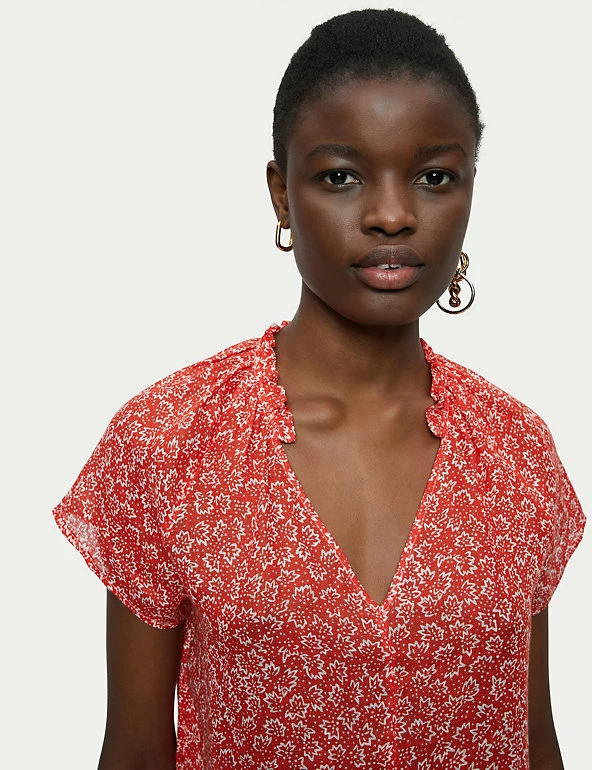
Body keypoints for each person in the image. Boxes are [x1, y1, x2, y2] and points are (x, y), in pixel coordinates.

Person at [53, 9, 586, 770]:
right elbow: (136, 751)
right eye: (341, 176)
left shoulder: (516, 452)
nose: (392, 215)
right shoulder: (169, 442)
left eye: (434, 177)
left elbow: (532, 742)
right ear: (281, 194)